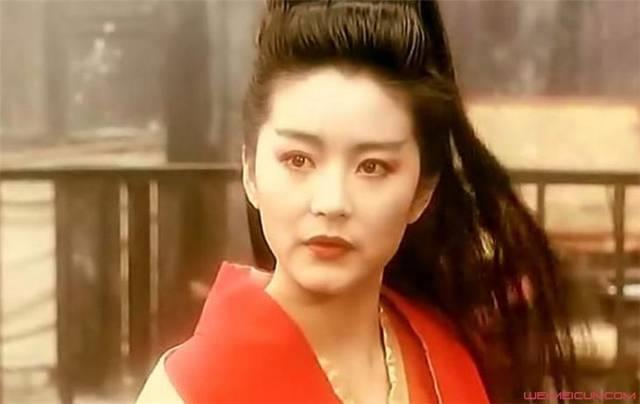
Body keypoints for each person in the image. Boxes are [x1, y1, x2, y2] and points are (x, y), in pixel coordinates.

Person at [137, 0, 575, 403]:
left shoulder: (446, 354)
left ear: (421, 192)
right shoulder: (191, 391)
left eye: (372, 167)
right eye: (298, 160)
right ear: (250, 171)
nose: (331, 203)